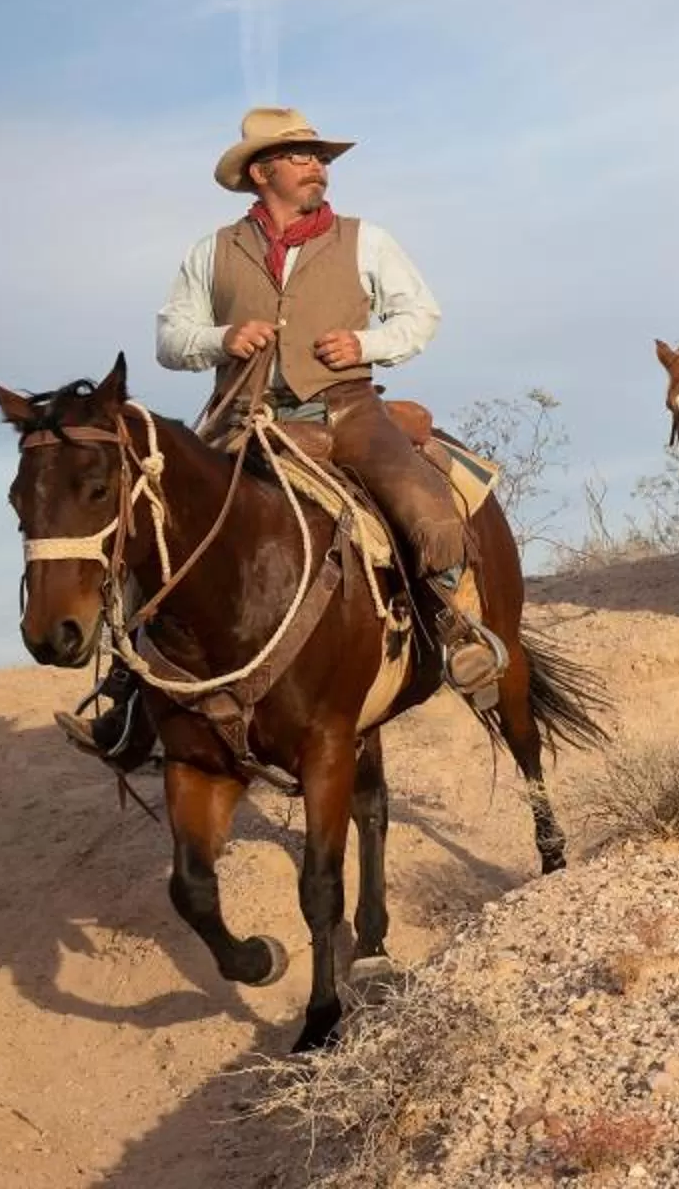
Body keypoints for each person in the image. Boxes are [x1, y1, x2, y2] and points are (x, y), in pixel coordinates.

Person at [141, 108, 500, 728]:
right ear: (261, 172)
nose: (319, 167)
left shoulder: (367, 240)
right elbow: (171, 338)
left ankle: (457, 630)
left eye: (321, 157)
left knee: (426, 506)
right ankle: (129, 685)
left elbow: (421, 315)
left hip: (346, 412)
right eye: (302, 156)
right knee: (156, 514)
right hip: (245, 420)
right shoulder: (211, 251)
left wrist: (365, 344)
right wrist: (222, 338)